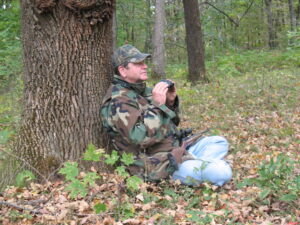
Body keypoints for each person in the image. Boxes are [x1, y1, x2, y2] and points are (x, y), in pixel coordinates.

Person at [101, 44, 232, 186]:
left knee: (219, 142)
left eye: (144, 62)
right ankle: (203, 167)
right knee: (221, 173)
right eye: (138, 63)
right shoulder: (119, 101)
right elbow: (139, 138)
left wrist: (169, 102)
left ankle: (198, 164)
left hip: (176, 150)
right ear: (123, 70)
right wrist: (158, 106)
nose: (144, 66)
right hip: (158, 164)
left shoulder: (143, 91)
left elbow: (171, 123)